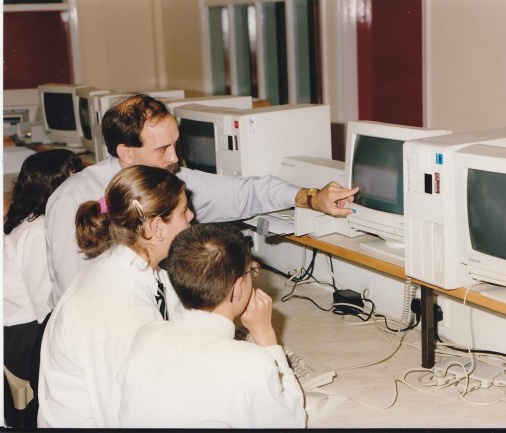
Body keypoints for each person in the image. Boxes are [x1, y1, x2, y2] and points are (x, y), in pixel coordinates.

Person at [44, 93, 359, 309]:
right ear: (126, 152)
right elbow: (73, 299)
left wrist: (311, 198)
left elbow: (247, 192)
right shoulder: (74, 198)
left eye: (176, 145)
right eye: (163, 149)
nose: (175, 158)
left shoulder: (172, 180)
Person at [37, 165, 194, 428]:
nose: (191, 216)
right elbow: (126, 416)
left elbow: (182, 322)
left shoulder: (138, 268)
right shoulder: (117, 310)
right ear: (156, 228)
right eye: (183, 211)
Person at [118, 223, 306, 428]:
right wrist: (266, 337)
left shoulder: (146, 336)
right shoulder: (253, 364)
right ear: (238, 288)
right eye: (250, 271)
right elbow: (292, 421)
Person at [3, 149, 83, 427]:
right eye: (73, 181)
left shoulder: (38, 220)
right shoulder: (39, 231)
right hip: (25, 335)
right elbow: (45, 309)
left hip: (28, 329)